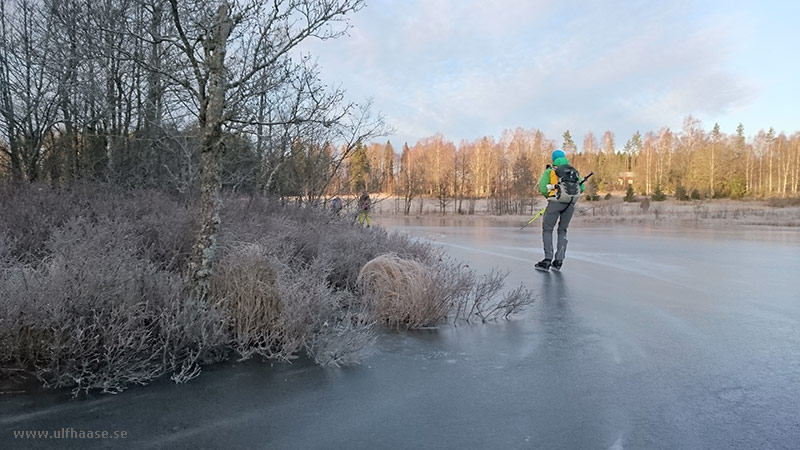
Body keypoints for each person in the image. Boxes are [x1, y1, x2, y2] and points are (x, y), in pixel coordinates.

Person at [534, 149, 585, 271]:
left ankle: (547, 259)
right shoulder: (573, 171)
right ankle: (559, 261)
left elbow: (542, 188)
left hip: (555, 203)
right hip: (570, 204)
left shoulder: (550, 171)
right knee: (562, 230)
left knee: (547, 229)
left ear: (553, 159)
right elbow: (582, 187)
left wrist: (550, 197)